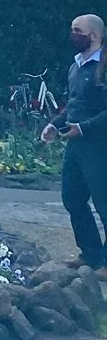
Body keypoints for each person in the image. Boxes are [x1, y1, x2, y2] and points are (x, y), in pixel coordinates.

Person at [41, 14, 107, 271]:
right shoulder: (76, 65)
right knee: (72, 198)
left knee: (104, 204)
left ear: (94, 35)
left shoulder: (103, 67)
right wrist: (54, 125)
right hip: (76, 145)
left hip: (100, 146)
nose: (73, 34)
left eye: (77, 30)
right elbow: (74, 105)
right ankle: (90, 254)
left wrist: (83, 128)